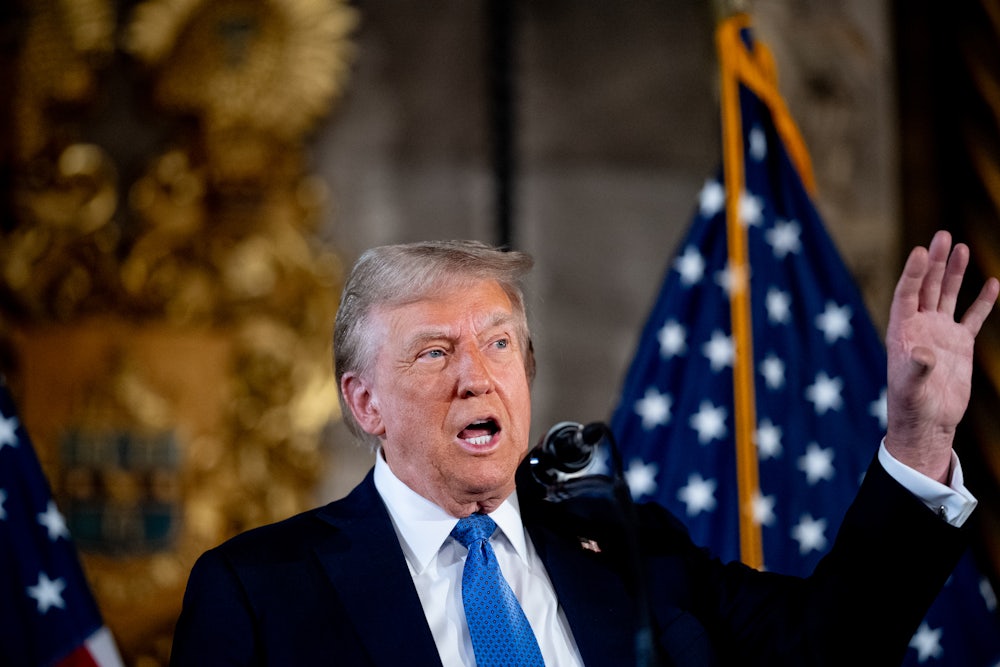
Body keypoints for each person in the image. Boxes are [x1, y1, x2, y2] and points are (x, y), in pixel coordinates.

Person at [170, 231, 998, 666]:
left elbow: (828, 650)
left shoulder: (633, 554)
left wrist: (920, 436)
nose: (476, 377)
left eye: (498, 345)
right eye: (434, 352)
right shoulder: (259, 592)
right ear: (364, 401)